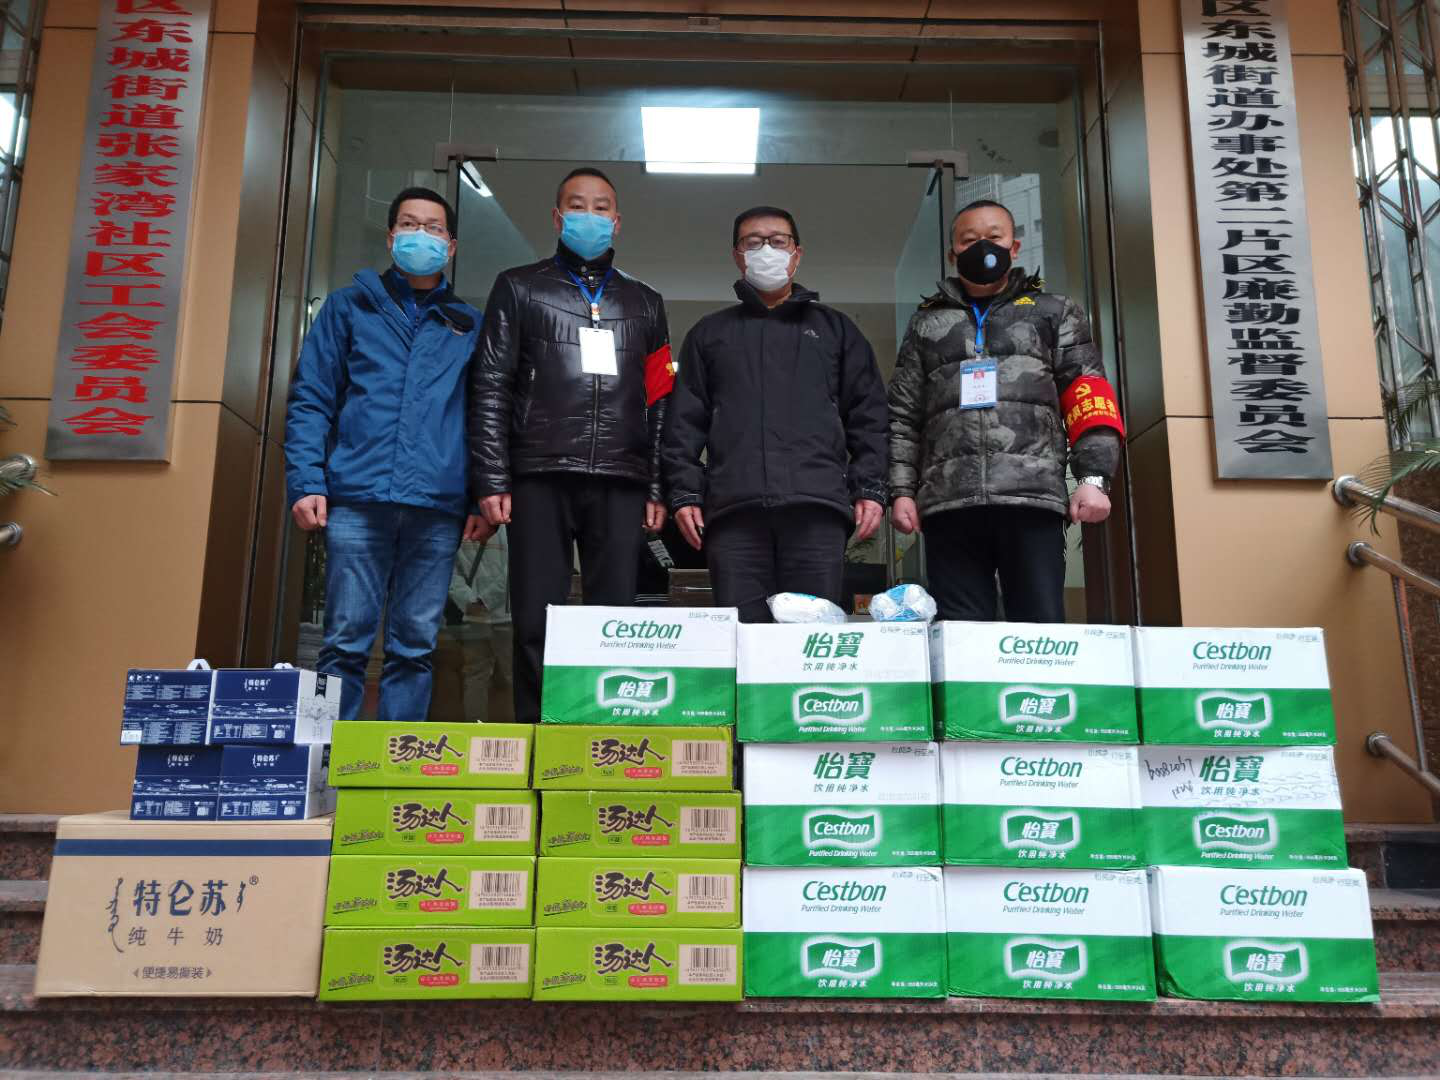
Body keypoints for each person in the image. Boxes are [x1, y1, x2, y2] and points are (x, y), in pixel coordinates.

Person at [468, 167, 674, 722]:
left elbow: (661, 401)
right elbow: (491, 384)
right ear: (558, 218)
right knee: (535, 619)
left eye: (601, 207)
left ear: (617, 221)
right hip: (539, 471)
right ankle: (539, 739)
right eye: (577, 206)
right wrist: (492, 477)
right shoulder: (519, 286)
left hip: (622, 476)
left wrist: (657, 484)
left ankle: (599, 740)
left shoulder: (645, 302)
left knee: (612, 622)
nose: (590, 216)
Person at [285, 186, 491, 724]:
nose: (421, 235)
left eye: (433, 228)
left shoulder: (468, 324)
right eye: (409, 224)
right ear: (391, 235)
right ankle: (328, 760)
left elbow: (480, 417)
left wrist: (478, 496)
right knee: (343, 642)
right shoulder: (348, 307)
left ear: (450, 246)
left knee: (416, 646)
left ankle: (397, 763)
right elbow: (311, 399)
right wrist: (307, 479)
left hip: (437, 506)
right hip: (357, 499)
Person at [887, 198, 1124, 623]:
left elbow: (1087, 395)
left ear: (1014, 247)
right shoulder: (927, 324)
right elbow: (904, 416)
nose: (982, 247)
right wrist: (901, 491)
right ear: (952, 253)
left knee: (1038, 626)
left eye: (993, 237)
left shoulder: (1054, 312)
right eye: (969, 240)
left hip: (1031, 497)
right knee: (961, 632)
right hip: (949, 501)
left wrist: (1094, 479)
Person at [662, 205, 888, 623]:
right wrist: (685, 493)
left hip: (816, 511)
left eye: (778, 241)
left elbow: (869, 416)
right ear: (738, 255)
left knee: (811, 640)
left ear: (797, 253)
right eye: (754, 242)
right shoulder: (710, 334)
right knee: (742, 641)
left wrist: (870, 488)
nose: (766, 249)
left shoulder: (837, 330)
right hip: (734, 514)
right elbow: (683, 424)